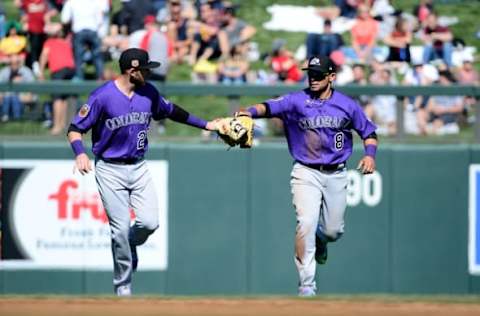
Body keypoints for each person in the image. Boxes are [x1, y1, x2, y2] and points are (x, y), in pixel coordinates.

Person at [66, 48, 219, 296]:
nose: (149, 72)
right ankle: (123, 287)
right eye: (146, 69)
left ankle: (132, 242)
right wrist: (80, 152)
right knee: (119, 230)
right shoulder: (102, 96)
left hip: (138, 167)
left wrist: (207, 124)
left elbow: (172, 111)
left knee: (149, 223)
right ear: (132, 70)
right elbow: (74, 128)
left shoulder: (148, 93)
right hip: (110, 169)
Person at [234, 55, 378, 297]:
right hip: (305, 171)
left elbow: (369, 132)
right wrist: (248, 112)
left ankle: (322, 240)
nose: (313, 78)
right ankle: (307, 285)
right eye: (310, 73)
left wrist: (370, 155)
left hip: (336, 173)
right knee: (306, 223)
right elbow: (269, 107)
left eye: (319, 74)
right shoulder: (296, 100)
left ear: (332, 77)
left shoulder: (347, 104)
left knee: (333, 231)